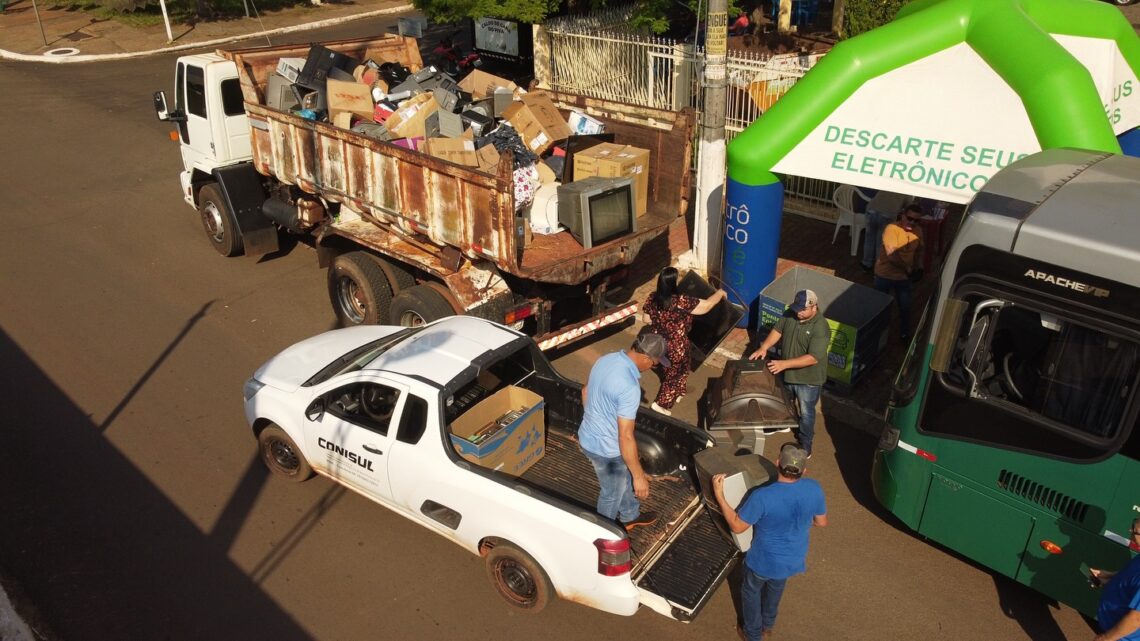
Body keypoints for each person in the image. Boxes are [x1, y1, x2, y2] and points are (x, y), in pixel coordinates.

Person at [713, 443, 827, 641]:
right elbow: (821, 522)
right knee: (775, 589)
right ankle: (767, 627)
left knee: (750, 592)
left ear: (777, 463)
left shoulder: (762, 496)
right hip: (793, 559)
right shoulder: (814, 488)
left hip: (762, 561)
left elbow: (737, 526)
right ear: (803, 471)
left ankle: (753, 634)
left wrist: (719, 496)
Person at [577, 331, 670, 530]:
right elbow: (626, 436)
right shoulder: (629, 387)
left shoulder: (606, 359)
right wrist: (639, 476)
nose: (652, 368)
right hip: (607, 451)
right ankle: (603, 533)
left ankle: (630, 515)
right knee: (611, 494)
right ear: (646, 358)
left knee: (620, 479)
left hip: (586, 436)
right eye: (655, 364)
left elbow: (585, 391)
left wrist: (594, 422)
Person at [748, 289, 830, 457]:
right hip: (786, 371)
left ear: (814, 307)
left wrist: (783, 364)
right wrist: (764, 347)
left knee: (806, 412)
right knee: (783, 400)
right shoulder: (790, 314)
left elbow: (813, 358)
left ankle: (805, 442)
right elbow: (778, 330)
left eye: (803, 310)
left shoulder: (821, 327)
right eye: (796, 308)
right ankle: (782, 423)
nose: (798, 313)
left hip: (808, 380)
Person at [643, 267, 728, 416]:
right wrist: (719, 293)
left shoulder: (652, 298)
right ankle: (661, 404)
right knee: (674, 375)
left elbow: (646, 319)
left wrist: (661, 321)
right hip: (677, 347)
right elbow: (707, 305)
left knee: (676, 367)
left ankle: (679, 390)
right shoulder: (681, 302)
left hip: (659, 344)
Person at [874, 203, 925, 342]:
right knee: (880, 308)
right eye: (909, 218)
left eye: (916, 220)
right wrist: (907, 269)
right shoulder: (892, 229)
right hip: (884, 276)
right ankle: (878, 335)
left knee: (905, 308)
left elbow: (919, 251)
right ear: (902, 216)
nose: (912, 222)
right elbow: (892, 256)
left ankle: (905, 334)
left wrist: (919, 267)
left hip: (903, 278)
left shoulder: (918, 231)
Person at [1090, 518, 1140, 641]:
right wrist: (1110, 577)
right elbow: (1131, 579)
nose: (1130, 531)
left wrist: (1106, 638)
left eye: (1135, 530)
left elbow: (1136, 619)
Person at [860, 190, 914, 271]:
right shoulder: (908, 190)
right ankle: (879, 267)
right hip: (887, 215)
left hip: (871, 211)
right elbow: (910, 208)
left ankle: (866, 264)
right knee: (880, 243)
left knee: (869, 240)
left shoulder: (889, 183)